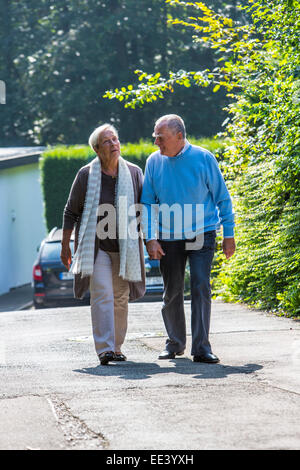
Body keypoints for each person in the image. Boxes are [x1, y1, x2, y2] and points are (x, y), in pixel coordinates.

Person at [141, 114, 235, 363]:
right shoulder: (153, 162)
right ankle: (174, 343)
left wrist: (229, 234)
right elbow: (147, 203)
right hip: (168, 236)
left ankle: (201, 347)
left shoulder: (203, 158)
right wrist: (150, 238)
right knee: (172, 291)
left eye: (161, 138)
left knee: (201, 285)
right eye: (155, 138)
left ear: (179, 136)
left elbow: (222, 198)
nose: (156, 143)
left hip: (201, 232)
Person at [61, 124, 145, 365]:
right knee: (102, 294)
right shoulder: (86, 175)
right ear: (97, 149)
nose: (114, 144)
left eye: (115, 139)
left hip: (126, 246)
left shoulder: (134, 172)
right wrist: (65, 245)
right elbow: (70, 211)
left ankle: (117, 347)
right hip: (95, 245)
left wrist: (152, 240)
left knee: (120, 296)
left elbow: (146, 208)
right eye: (107, 141)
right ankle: (104, 348)